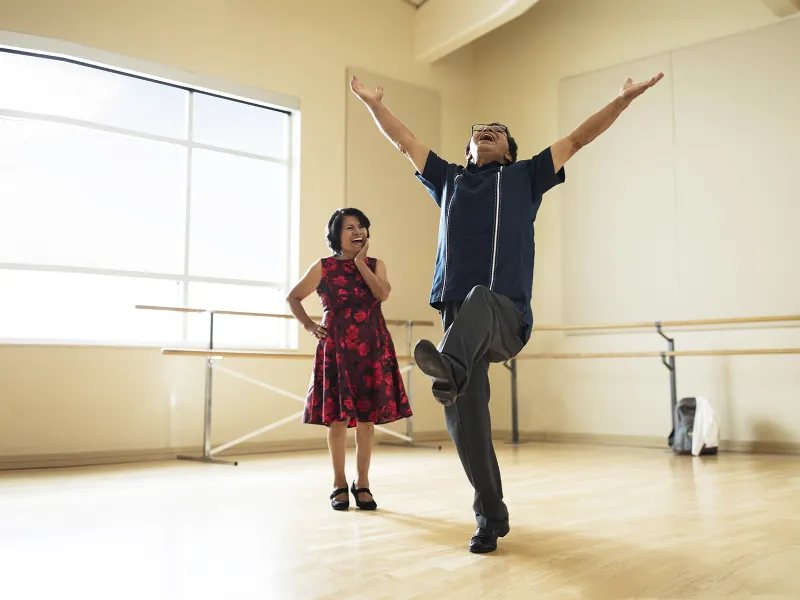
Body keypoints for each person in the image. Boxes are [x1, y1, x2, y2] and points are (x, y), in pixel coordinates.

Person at [350, 72, 664, 552]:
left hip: (505, 315)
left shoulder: (525, 177)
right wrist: (374, 105)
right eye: (479, 130)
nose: (486, 131)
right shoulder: (449, 180)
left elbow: (578, 139)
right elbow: (404, 141)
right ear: (468, 149)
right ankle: (490, 516)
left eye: (497, 131)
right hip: (458, 322)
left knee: (479, 300)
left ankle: (448, 369)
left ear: (509, 153)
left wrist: (621, 100)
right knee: (466, 424)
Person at [286, 207, 413, 512]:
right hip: (337, 348)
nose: (358, 232)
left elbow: (382, 294)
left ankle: (363, 483)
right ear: (336, 235)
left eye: (361, 226)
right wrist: (309, 325)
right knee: (338, 420)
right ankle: (339, 483)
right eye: (349, 228)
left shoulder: (375, 264)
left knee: (367, 420)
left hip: (373, 346)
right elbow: (293, 297)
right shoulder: (324, 267)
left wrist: (360, 264)